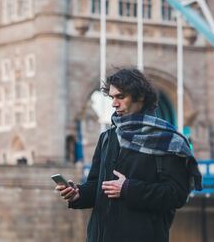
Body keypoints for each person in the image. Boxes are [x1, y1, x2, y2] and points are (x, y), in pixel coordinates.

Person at [55, 68, 202, 242]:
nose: (114, 103)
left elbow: (176, 195)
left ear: (140, 97)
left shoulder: (169, 141)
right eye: (112, 97)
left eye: (121, 97)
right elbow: (97, 185)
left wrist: (128, 189)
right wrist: (78, 193)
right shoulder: (107, 138)